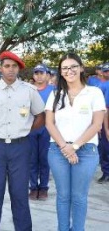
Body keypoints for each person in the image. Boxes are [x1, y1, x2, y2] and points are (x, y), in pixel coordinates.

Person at [0, 51, 45, 231]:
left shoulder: (29, 91)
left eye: (14, 66)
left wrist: (23, 130)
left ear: (19, 69)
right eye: (7, 66)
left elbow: (40, 116)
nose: (10, 70)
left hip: (20, 147)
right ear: (0, 69)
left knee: (19, 195)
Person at [45, 53, 105, 231]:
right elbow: (49, 122)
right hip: (58, 150)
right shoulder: (56, 94)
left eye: (73, 66)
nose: (69, 70)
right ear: (60, 72)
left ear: (81, 68)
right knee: (63, 195)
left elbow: (97, 124)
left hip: (86, 151)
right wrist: (65, 147)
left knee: (79, 196)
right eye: (65, 68)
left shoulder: (94, 93)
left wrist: (75, 147)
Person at [28, 64, 54, 200]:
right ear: (33, 75)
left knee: (44, 160)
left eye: (42, 73)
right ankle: (33, 187)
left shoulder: (54, 91)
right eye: (36, 73)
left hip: (47, 130)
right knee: (32, 160)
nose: (39, 75)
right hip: (31, 129)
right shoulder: (28, 90)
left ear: (47, 75)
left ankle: (43, 188)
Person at [96, 62, 109, 183]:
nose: (107, 73)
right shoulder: (101, 85)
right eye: (105, 71)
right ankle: (106, 172)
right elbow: (104, 108)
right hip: (105, 118)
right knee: (105, 148)